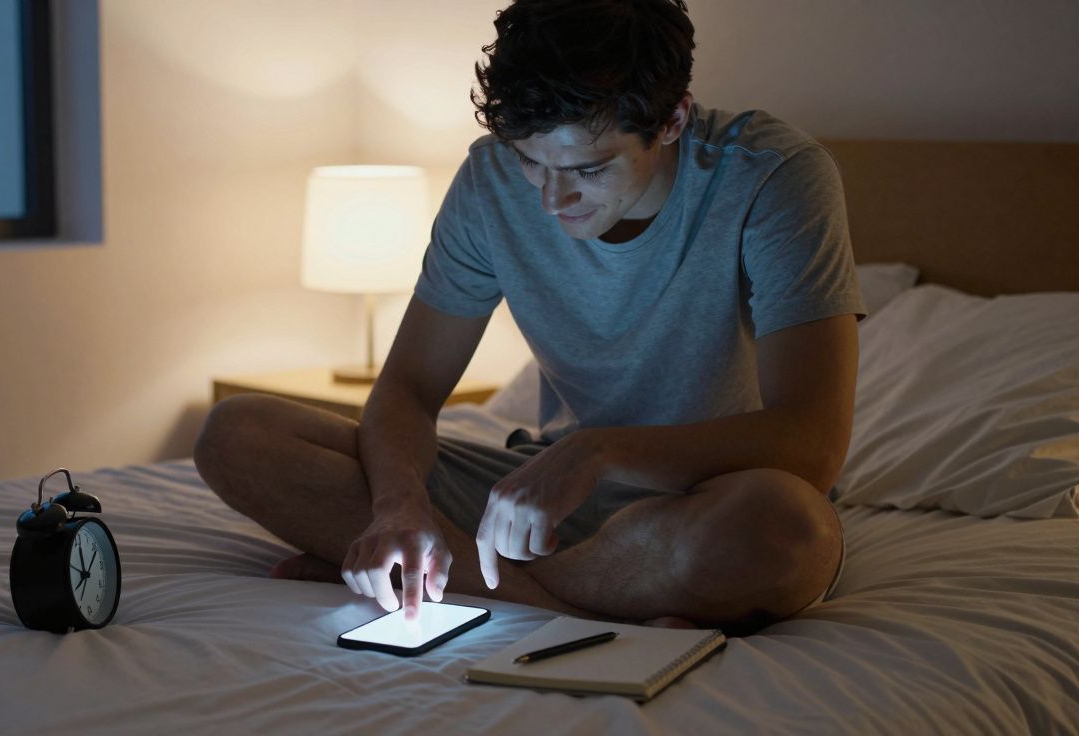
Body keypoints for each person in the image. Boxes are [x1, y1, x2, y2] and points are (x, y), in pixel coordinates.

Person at [195, 0, 865, 633]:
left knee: (788, 533)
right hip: (541, 503)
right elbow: (408, 390)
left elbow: (812, 444)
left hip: (708, 503)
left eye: (589, 168)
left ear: (673, 121)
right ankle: (586, 602)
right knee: (237, 432)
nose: (551, 198)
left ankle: (465, 587)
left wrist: (597, 451)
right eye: (528, 160)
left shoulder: (773, 179)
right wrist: (398, 506)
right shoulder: (487, 184)